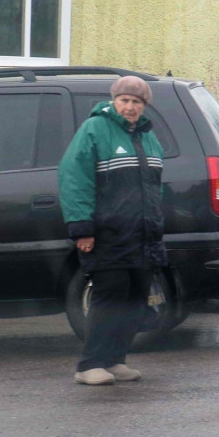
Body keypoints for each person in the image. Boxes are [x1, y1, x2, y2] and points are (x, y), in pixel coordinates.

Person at [59, 76, 166, 386]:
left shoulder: (148, 137)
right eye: (125, 100)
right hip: (108, 234)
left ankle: (115, 359)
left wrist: (154, 223)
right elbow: (74, 178)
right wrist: (82, 228)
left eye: (137, 102)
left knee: (134, 298)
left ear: (144, 106)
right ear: (114, 101)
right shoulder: (94, 129)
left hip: (142, 235)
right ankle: (89, 364)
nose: (130, 107)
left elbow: (153, 188)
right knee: (110, 297)